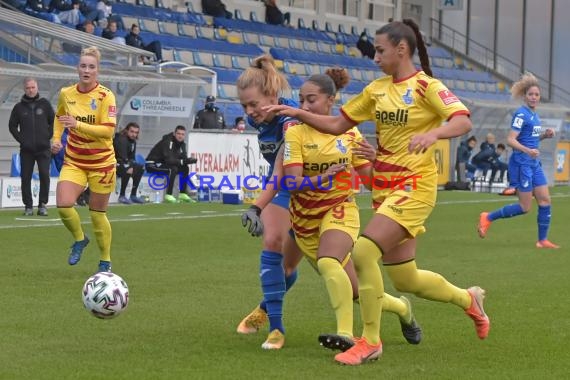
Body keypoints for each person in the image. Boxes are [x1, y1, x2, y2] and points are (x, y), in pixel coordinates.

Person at [265, 19, 489, 365]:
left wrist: (434, 134)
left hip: (415, 186)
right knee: (406, 278)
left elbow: (463, 120)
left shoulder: (426, 87)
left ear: (401, 49)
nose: (375, 57)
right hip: (384, 189)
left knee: (364, 251)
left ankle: (370, 340)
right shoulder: (376, 90)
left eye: (380, 50)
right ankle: (468, 299)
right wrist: (297, 112)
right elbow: (338, 124)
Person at [283, 68, 422, 353]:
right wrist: (324, 177)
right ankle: (402, 308)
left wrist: (378, 160)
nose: (304, 106)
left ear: (331, 101)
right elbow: (291, 183)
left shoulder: (351, 134)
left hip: (340, 209)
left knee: (329, 261)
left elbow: (372, 182)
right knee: (358, 291)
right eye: (301, 100)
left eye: (311, 99)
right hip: (305, 220)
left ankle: (345, 334)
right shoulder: (294, 133)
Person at [235, 54, 304, 350]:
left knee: (288, 269)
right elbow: (277, 175)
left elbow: (283, 171)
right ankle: (276, 328)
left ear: (273, 96)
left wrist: (257, 205)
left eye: (254, 104)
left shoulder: (290, 122)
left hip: (312, 194)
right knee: (272, 242)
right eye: (244, 106)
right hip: (284, 190)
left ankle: (265, 307)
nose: (250, 112)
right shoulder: (264, 122)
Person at [50, 46, 117, 273]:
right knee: (63, 204)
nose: (86, 70)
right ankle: (80, 239)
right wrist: (56, 137)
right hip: (75, 160)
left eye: (91, 66)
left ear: (97, 71)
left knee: (97, 214)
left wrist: (78, 125)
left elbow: (108, 131)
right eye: (83, 66)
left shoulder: (106, 96)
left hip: (102, 163)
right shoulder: (66, 93)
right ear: (77, 68)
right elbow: (60, 116)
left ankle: (105, 261)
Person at [478, 72, 559, 249]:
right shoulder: (521, 114)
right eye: (531, 94)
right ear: (525, 96)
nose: (534, 97)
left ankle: (542, 240)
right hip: (522, 163)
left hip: (533, 163)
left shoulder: (534, 116)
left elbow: (531, 139)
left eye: (536, 95)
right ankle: (488, 217)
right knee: (525, 207)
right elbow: (511, 140)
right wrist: (528, 150)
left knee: (545, 200)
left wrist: (544, 135)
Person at [9, 77, 55, 216]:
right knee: (26, 177)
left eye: (33, 87)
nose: (30, 90)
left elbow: (54, 122)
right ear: (24, 89)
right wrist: (22, 140)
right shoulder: (18, 107)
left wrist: (48, 136)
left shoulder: (45, 104)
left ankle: (42, 205)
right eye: (28, 88)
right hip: (27, 150)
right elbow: (12, 126)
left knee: (44, 175)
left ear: (37, 88)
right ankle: (28, 206)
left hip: (43, 149)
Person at [145, 125, 197, 203]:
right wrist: (184, 161)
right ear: (174, 134)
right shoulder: (168, 142)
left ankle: (182, 194)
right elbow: (169, 160)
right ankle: (168, 195)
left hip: (164, 164)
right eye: (178, 134)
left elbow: (183, 160)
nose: (180, 136)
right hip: (152, 164)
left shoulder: (182, 144)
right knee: (172, 169)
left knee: (185, 168)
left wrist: (190, 160)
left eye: (182, 134)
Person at [114, 122, 145, 204]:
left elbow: (132, 157)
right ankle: (122, 196)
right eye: (132, 131)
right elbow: (122, 157)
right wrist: (130, 164)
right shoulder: (121, 139)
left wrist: (132, 163)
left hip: (124, 163)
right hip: (114, 163)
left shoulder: (133, 142)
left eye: (136, 132)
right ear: (127, 130)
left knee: (141, 167)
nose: (134, 134)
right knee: (129, 168)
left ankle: (133, 195)